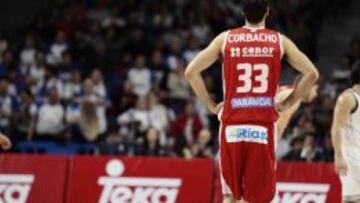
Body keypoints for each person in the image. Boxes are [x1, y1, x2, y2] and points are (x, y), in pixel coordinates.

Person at [184, 0, 319, 202]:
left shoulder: (226, 38)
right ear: (267, 12)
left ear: (242, 11)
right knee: (257, 198)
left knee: (230, 196)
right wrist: (289, 102)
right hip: (262, 126)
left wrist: (211, 106)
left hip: (232, 124)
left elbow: (191, 72)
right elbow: (311, 74)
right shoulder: (279, 41)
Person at [331, 61, 360, 203]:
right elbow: (336, 127)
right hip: (350, 153)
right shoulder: (348, 98)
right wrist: (339, 156)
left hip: (357, 152)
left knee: (351, 199)